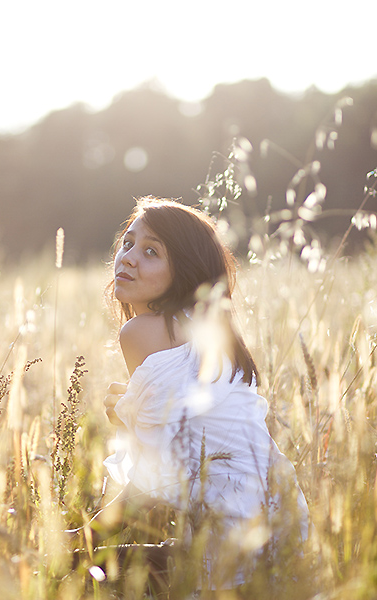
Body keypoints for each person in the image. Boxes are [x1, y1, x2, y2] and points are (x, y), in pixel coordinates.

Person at [100, 196, 309, 593]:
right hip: (287, 531)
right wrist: (133, 414)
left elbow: (150, 484)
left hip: (229, 551)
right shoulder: (211, 336)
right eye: (127, 244)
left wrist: (81, 537)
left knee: (79, 571)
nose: (128, 258)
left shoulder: (141, 333)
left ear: (184, 272)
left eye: (150, 252)